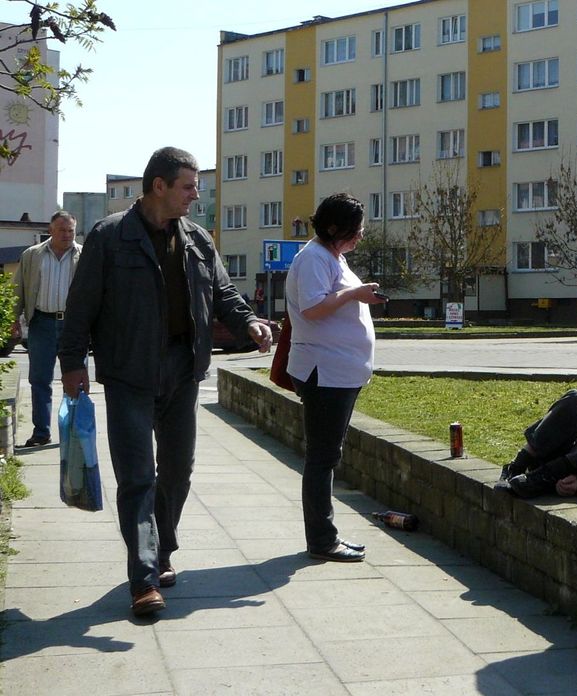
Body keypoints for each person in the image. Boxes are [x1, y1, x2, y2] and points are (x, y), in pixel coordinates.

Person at [58, 147, 272, 618]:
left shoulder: (197, 238)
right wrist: (72, 364)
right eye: (188, 186)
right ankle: (144, 578)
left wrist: (249, 323)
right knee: (138, 476)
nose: (195, 194)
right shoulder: (110, 236)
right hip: (128, 372)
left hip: (183, 368)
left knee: (177, 470)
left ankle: (162, 548)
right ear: (160, 185)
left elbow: (223, 292)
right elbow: (81, 306)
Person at [285, 193, 386, 564]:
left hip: (337, 371)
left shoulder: (331, 256)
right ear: (332, 228)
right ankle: (322, 540)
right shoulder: (314, 257)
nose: (360, 236)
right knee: (323, 457)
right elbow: (313, 308)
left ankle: (324, 537)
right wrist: (355, 293)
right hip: (324, 372)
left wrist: (357, 294)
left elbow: (332, 300)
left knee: (326, 455)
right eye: (354, 230)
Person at [13, 210, 81, 449]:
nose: (67, 234)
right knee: (40, 380)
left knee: (74, 380)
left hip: (73, 326)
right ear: (50, 230)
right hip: (42, 322)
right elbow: (18, 288)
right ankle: (41, 433)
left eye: (71, 230)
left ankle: (74, 432)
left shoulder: (84, 256)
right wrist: (13, 319)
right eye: (62, 230)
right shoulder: (32, 255)